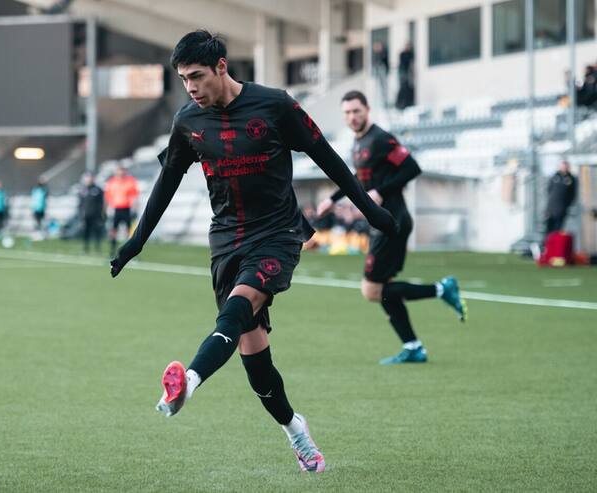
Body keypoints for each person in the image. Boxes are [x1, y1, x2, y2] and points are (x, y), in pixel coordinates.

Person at [109, 31, 398, 473]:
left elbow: (328, 158)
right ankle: (294, 428)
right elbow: (167, 181)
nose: (190, 87)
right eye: (184, 79)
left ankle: (187, 380)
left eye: (197, 76)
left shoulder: (276, 105)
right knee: (256, 364)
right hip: (226, 240)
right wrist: (136, 240)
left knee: (236, 310)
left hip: (278, 234)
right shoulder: (189, 122)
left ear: (222, 67)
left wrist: (370, 213)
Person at [316, 91, 466, 365]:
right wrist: (332, 199)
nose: (352, 117)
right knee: (383, 289)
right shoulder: (359, 143)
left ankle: (442, 289)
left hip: (393, 221)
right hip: (381, 223)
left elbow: (412, 168)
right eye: (347, 113)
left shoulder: (381, 138)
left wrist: (381, 191)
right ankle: (413, 346)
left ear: (367, 110)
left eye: (356, 111)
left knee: (371, 290)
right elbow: (356, 179)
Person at [104, 165, 139, 257]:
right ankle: (112, 252)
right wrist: (106, 210)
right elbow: (108, 196)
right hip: (116, 209)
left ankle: (130, 252)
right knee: (113, 231)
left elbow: (134, 196)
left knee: (130, 232)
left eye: (122, 171)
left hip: (127, 209)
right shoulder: (112, 182)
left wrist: (135, 209)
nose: (120, 173)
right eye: (119, 171)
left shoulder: (130, 181)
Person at [544, 160, 578, 236]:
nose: (564, 168)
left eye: (565, 166)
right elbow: (549, 190)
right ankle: (547, 246)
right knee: (548, 229)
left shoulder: (571, 179)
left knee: (558, 229)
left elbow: (573, 194)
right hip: (551, 208)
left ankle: (556, 246)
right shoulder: (554, 177)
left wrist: (567, 204)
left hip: (562, 208)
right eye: (562, 166)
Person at [78, 173, 105, 253]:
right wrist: (80, 213)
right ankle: (85, 248)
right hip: (86, 215)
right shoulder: (83, 189)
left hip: (96, 215)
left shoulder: (98, 189)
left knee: (97, 231)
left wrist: (102, 214)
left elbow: (102, 203)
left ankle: (98, 248)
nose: (89, 180)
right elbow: (80, 203)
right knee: (86, 232)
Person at [396, 41, 414, 110]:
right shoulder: (403, 54)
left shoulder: (410, 54)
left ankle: (407, 103)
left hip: (408, 73)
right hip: (403, 72)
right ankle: (400, 104)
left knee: (407, 88)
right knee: (403, 87)